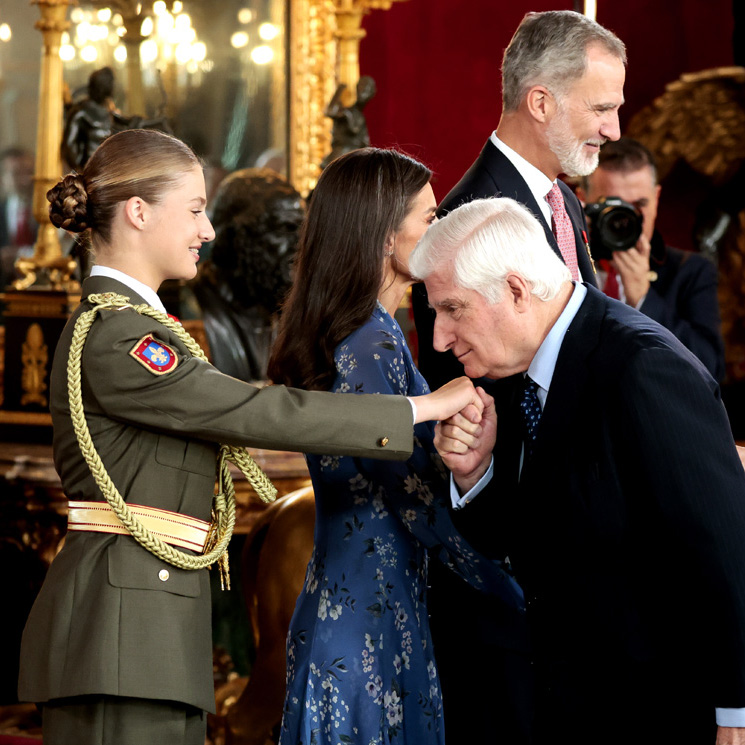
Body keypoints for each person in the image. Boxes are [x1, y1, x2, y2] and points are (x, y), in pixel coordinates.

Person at [16, 129, 488, 745]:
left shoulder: (141, 327)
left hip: (147, 624)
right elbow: (250, 410)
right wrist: (420, 408)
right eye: (192, 210)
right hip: (120, 631)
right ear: (138, 212)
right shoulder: (117, 335)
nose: (208, 230)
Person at [410, 195, 745, 745]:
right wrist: (476, 474)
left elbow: (727, 546)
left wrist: (735, 709)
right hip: (571, 708)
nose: (441, 338)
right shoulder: (519, 367)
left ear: (515, 290)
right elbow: (531, 543)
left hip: (660, 713)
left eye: (452, 309)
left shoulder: (644, 367)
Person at [267, 147, 524, 745]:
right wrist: (515, 589)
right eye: (429, 217)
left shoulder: (370, 334)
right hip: (365, 627)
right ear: (386, 236)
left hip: (363, 612)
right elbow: (416, 500)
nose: (440, 229)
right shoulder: (371, 343)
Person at [413, 9, 626, 389]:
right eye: (602, 109)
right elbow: (462, 383)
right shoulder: (468, 220)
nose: (613, 130)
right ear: (540, 103)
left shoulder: (563, 199)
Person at [576, 136, 725, 381]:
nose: (627, 218)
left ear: (657, 199)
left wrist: (644, 297)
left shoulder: (691, 271)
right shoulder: (560, 265)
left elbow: (710, 369)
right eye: (613, 206)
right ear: (581, 201)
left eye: (639, 204)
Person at [189, 167, 305, 382]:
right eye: (285, 228)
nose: (298, 244)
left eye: (302, 231)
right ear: (237, 236)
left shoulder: (284, 315)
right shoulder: (190, 314)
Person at [0, 146, 37, 288]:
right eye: (16, 174)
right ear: (3, 179)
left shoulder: (52, 210)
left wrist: (20, 254)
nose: (25, 180)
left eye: (29, 172)